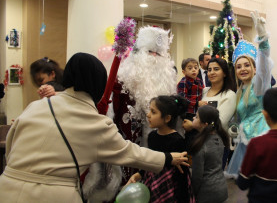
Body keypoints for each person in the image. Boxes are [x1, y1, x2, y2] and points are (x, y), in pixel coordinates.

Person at [0, 53, 188, 203]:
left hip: (6, 187)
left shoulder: (35, 106)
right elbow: (130, 153)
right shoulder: (93, 122)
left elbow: (10, 145)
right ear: (98, 83)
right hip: (52, 194)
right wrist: (168, 157)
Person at [111, 26, 177, 178]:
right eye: (149, 52)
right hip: (128, 155)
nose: (154, 57)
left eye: (159, 54)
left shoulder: (168, 86)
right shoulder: (123, 82)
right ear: (138, 54)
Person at [226, 11, 273, 178]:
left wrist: (262, 37)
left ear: (254, 68)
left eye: (247, 65)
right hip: (245, 144)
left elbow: (264, 66)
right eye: (239, 66)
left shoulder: (258, 85)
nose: (243, 69)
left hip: (262, 142)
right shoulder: (240, 91)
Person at [127, 95, 194, 203]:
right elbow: (151, 159)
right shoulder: (152, 136)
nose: (148, 115)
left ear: (167, 118)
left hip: (172, 189)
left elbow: (185, 171)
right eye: (150, 111)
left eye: (153, 112)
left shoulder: (179, 141)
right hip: (153, 184)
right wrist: (140, 174)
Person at [190, 105, 229, 203]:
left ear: (204, 124)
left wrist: (192, 192)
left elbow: (197, 176)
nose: (193, 118)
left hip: (207, 193)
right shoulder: (219, 138)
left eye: (196, 117)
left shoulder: (200, 146)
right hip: (222, 189)